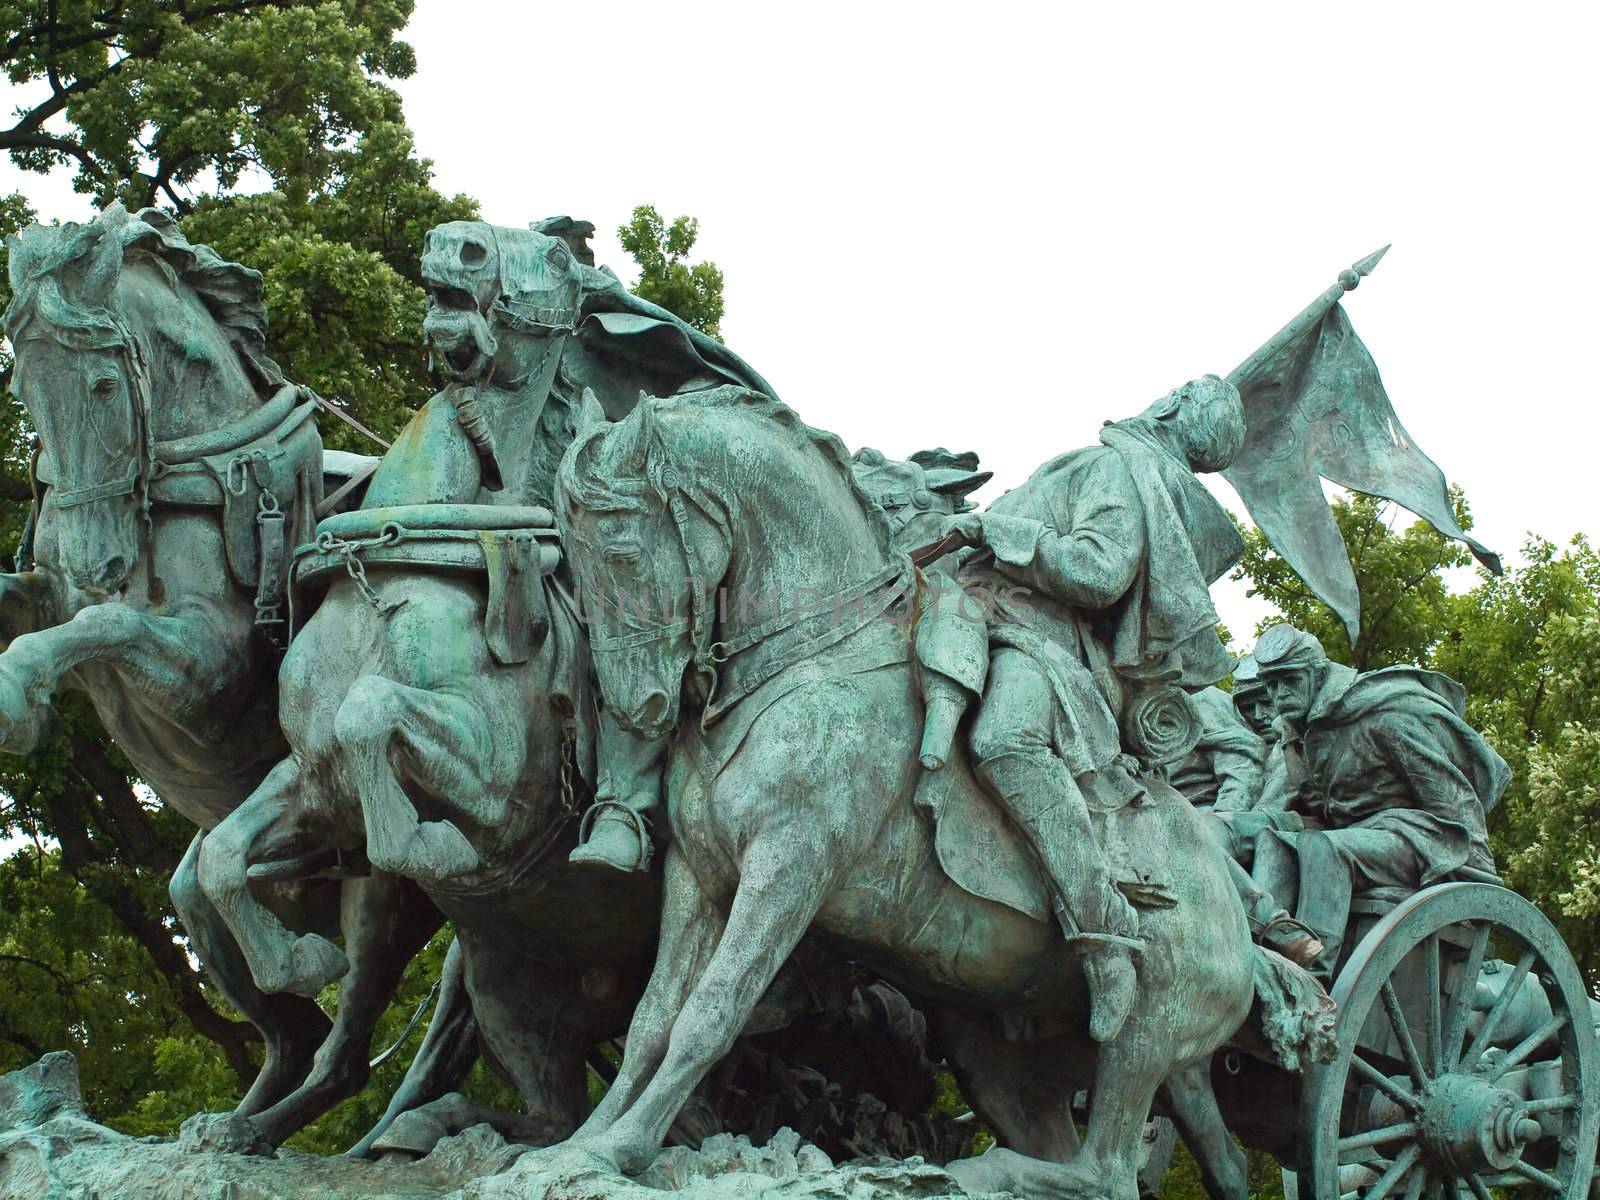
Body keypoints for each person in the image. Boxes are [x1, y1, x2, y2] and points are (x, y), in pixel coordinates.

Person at [940, 375, 1249, 1040]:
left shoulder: (1117, 469)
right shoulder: (1104, 461)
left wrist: (1000, 530)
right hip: (960, 608)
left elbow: (1098, 572)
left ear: (1168, 406)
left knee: (1006, 740)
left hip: (1036, 638)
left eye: (1179, 392)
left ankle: (1104, 933)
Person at [1240, 624, 1508, 975]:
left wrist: (1477, 883)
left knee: (1324, 848)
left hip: (1421, 838)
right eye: (1272, 684)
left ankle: (1311, 977)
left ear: (1318, 674)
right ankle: (1258, 959)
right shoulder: (1297, 733)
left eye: (1290, 680)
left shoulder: (1383, 713)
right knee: (1274, 843)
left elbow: (1451, 795)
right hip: (1357, 836)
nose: (1279, 694)